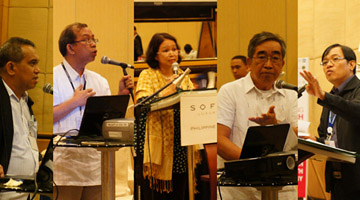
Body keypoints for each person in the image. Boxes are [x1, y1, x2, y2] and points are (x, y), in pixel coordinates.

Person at [53, 22, 133, 200]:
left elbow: (109, 123)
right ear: (70, 47)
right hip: (65, 166)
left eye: (94, 39)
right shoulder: (55, 78)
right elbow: (46, 118)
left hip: (96, 164)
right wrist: (74, 102)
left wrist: (121, 95)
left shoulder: (99, 81)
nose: (94, 44)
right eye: (86, 40)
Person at [217, 32, 298, 199]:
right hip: (238, 189)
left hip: (282, 189)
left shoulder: (291, 94)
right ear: (249, 62)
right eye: (262, 57)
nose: (268, 64)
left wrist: (275, 125)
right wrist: (254, 166)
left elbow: (296, 141)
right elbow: (219, 140)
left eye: (275, 58)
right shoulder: (229, 91)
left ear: (282, 64)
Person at [135, 33, 199, 200]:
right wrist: (167, 92)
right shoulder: (147, 75)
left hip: (181, 141)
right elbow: (142, 104)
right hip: (155, 143)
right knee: (156, 194)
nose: (172, 54)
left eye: (174, 49)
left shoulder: (183, 76)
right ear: (155, 55)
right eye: (166, 50)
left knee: (179, 189)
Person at [300, 44, 360, 199]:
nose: (329, 65)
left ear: (351, 64)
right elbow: (328, 138)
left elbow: (355, 112)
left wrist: (324, 97)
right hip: (338, 180)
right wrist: (314, 141)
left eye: (335, 59)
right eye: (325, 62)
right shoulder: (330, 98)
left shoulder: (354, 91)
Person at [0, 37, 40, 199]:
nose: (37, 70)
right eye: (32, 63)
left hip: (27, 192)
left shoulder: (25, 100)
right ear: (11, 67)